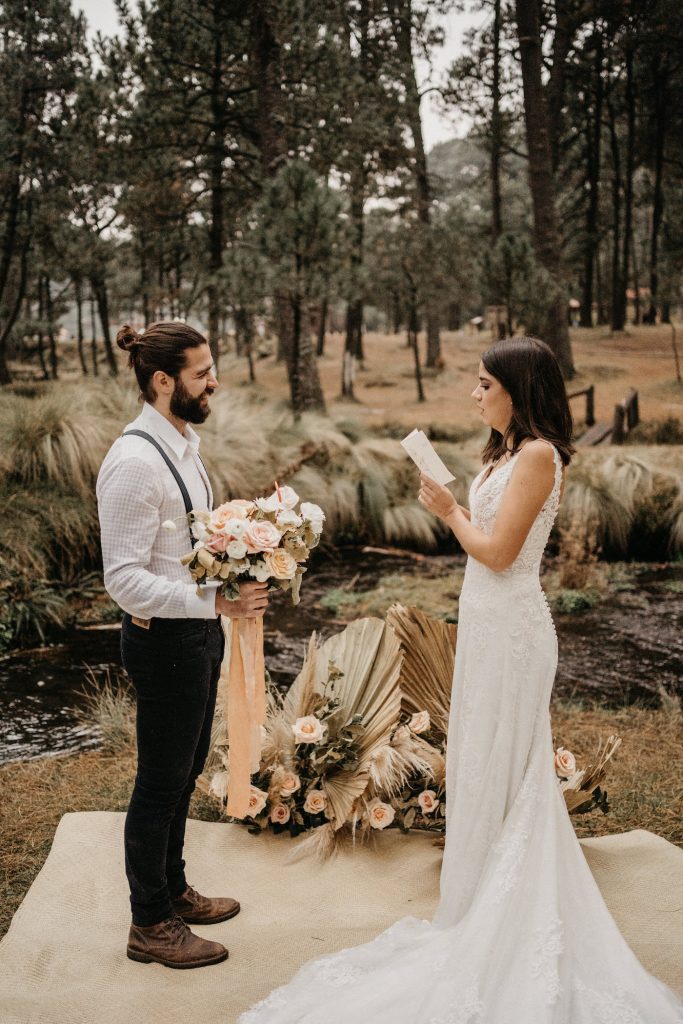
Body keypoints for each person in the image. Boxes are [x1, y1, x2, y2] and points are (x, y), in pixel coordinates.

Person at [238, 337, 683, 1022]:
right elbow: (487, 538)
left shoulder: (537, 455)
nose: (474, 395)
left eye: (483, 384)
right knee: (480, 759)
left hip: (513, 631)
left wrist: (447, 510)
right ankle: (479, 895)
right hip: (484, 624)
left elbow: (501, 554)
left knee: (510, 761)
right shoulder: (503, 452)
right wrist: (453, 504)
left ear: (517, 388)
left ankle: (512, 904)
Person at [96, 321, 269, 969]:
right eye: (201, 373)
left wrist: (244, 557)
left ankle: (172, 889)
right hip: (162, 641)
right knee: (159, 783)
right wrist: (213, 601)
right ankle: (150, 924)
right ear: (162, 381)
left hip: (196, 635)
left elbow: (182, 551)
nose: (213, 381)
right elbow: (124, 582)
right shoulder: (134, 464)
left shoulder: (182, 444)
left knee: (186, 768)